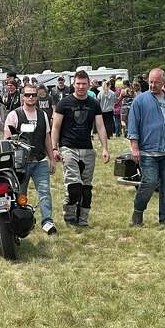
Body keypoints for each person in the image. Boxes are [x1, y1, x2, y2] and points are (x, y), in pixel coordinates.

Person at [51, 69, 110, 228]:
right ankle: (69, 215)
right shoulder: (64, 103)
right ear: (74, 84)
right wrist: (54, 148)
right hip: (68, 148)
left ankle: (83, 219)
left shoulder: (94, 104)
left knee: (86, 189)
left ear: (89, 84)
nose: (81, 87)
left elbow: (100, 127)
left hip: (87, 150)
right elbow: (55, 127)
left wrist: (105, 148)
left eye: (84, 84)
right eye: (78, 83)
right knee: (74, 186)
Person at [127, 68, 165, 228]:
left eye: (156, 82)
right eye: (150, 81)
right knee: (149, 182)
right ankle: (138, 211)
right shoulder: (140, 101)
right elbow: (133, 125)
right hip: (148, 151)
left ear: (164, 83)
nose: (152, 85)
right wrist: (134, 147)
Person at [3, 83, 57, 235]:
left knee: (45, 192)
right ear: (22, 97)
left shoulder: (43, 115)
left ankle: (47, 222)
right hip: (21, 164)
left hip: (40, 161)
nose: (31, 97)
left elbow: (47, 137)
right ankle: (21, 222)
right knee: (21, 194)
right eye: (28, 95)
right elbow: (7, 139)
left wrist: (52, 159)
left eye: (34, 95)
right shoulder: (14, 115)